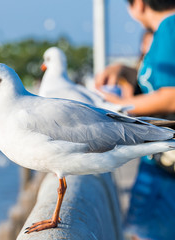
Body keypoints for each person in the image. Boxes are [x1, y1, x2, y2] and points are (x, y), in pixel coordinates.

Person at [95, 0, 175, 239]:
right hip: (159, 162)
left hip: (165, 170)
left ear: (138, 4)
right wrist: (124, 70)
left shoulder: (170, 27)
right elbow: (159, 82)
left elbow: (171, 97)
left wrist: (113, 108)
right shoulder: (165, 30)